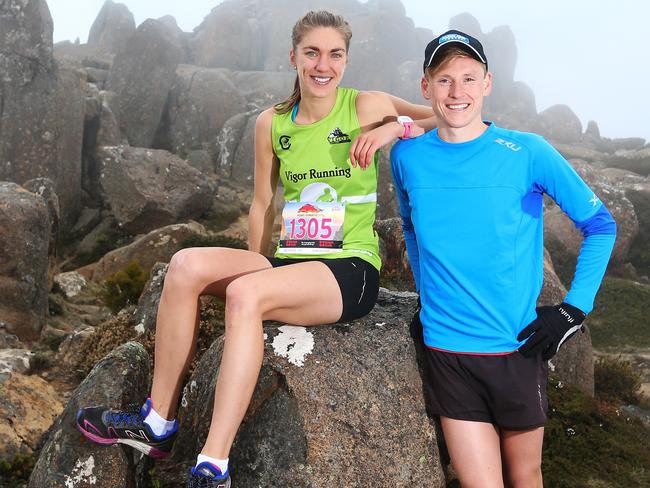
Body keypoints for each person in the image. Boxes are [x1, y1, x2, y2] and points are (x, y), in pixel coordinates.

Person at [75, 10, 435, 487]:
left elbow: (449, 115)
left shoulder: (366, 105)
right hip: (289, 259)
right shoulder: (273, 123)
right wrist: (257, 262)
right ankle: (157, 423)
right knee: (184, 266)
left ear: (346, 60)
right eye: (312, 53)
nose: (322, 64)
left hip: (349, 268)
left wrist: (395, 128)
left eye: (334, 54)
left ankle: (214, 464)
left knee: (247, 296)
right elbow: (263, 202)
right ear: (294, 57)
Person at [379, 30, 616, 487]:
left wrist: (573, 309)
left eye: (469, 78)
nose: (457, 92)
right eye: (444, 79)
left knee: (525, 477)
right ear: (425, 87)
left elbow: (601, 226)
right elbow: (410, 226)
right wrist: (429, 291)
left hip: (516, 349)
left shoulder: (527, 152)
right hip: (447, 351)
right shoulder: (407, 155)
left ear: (487, 83)